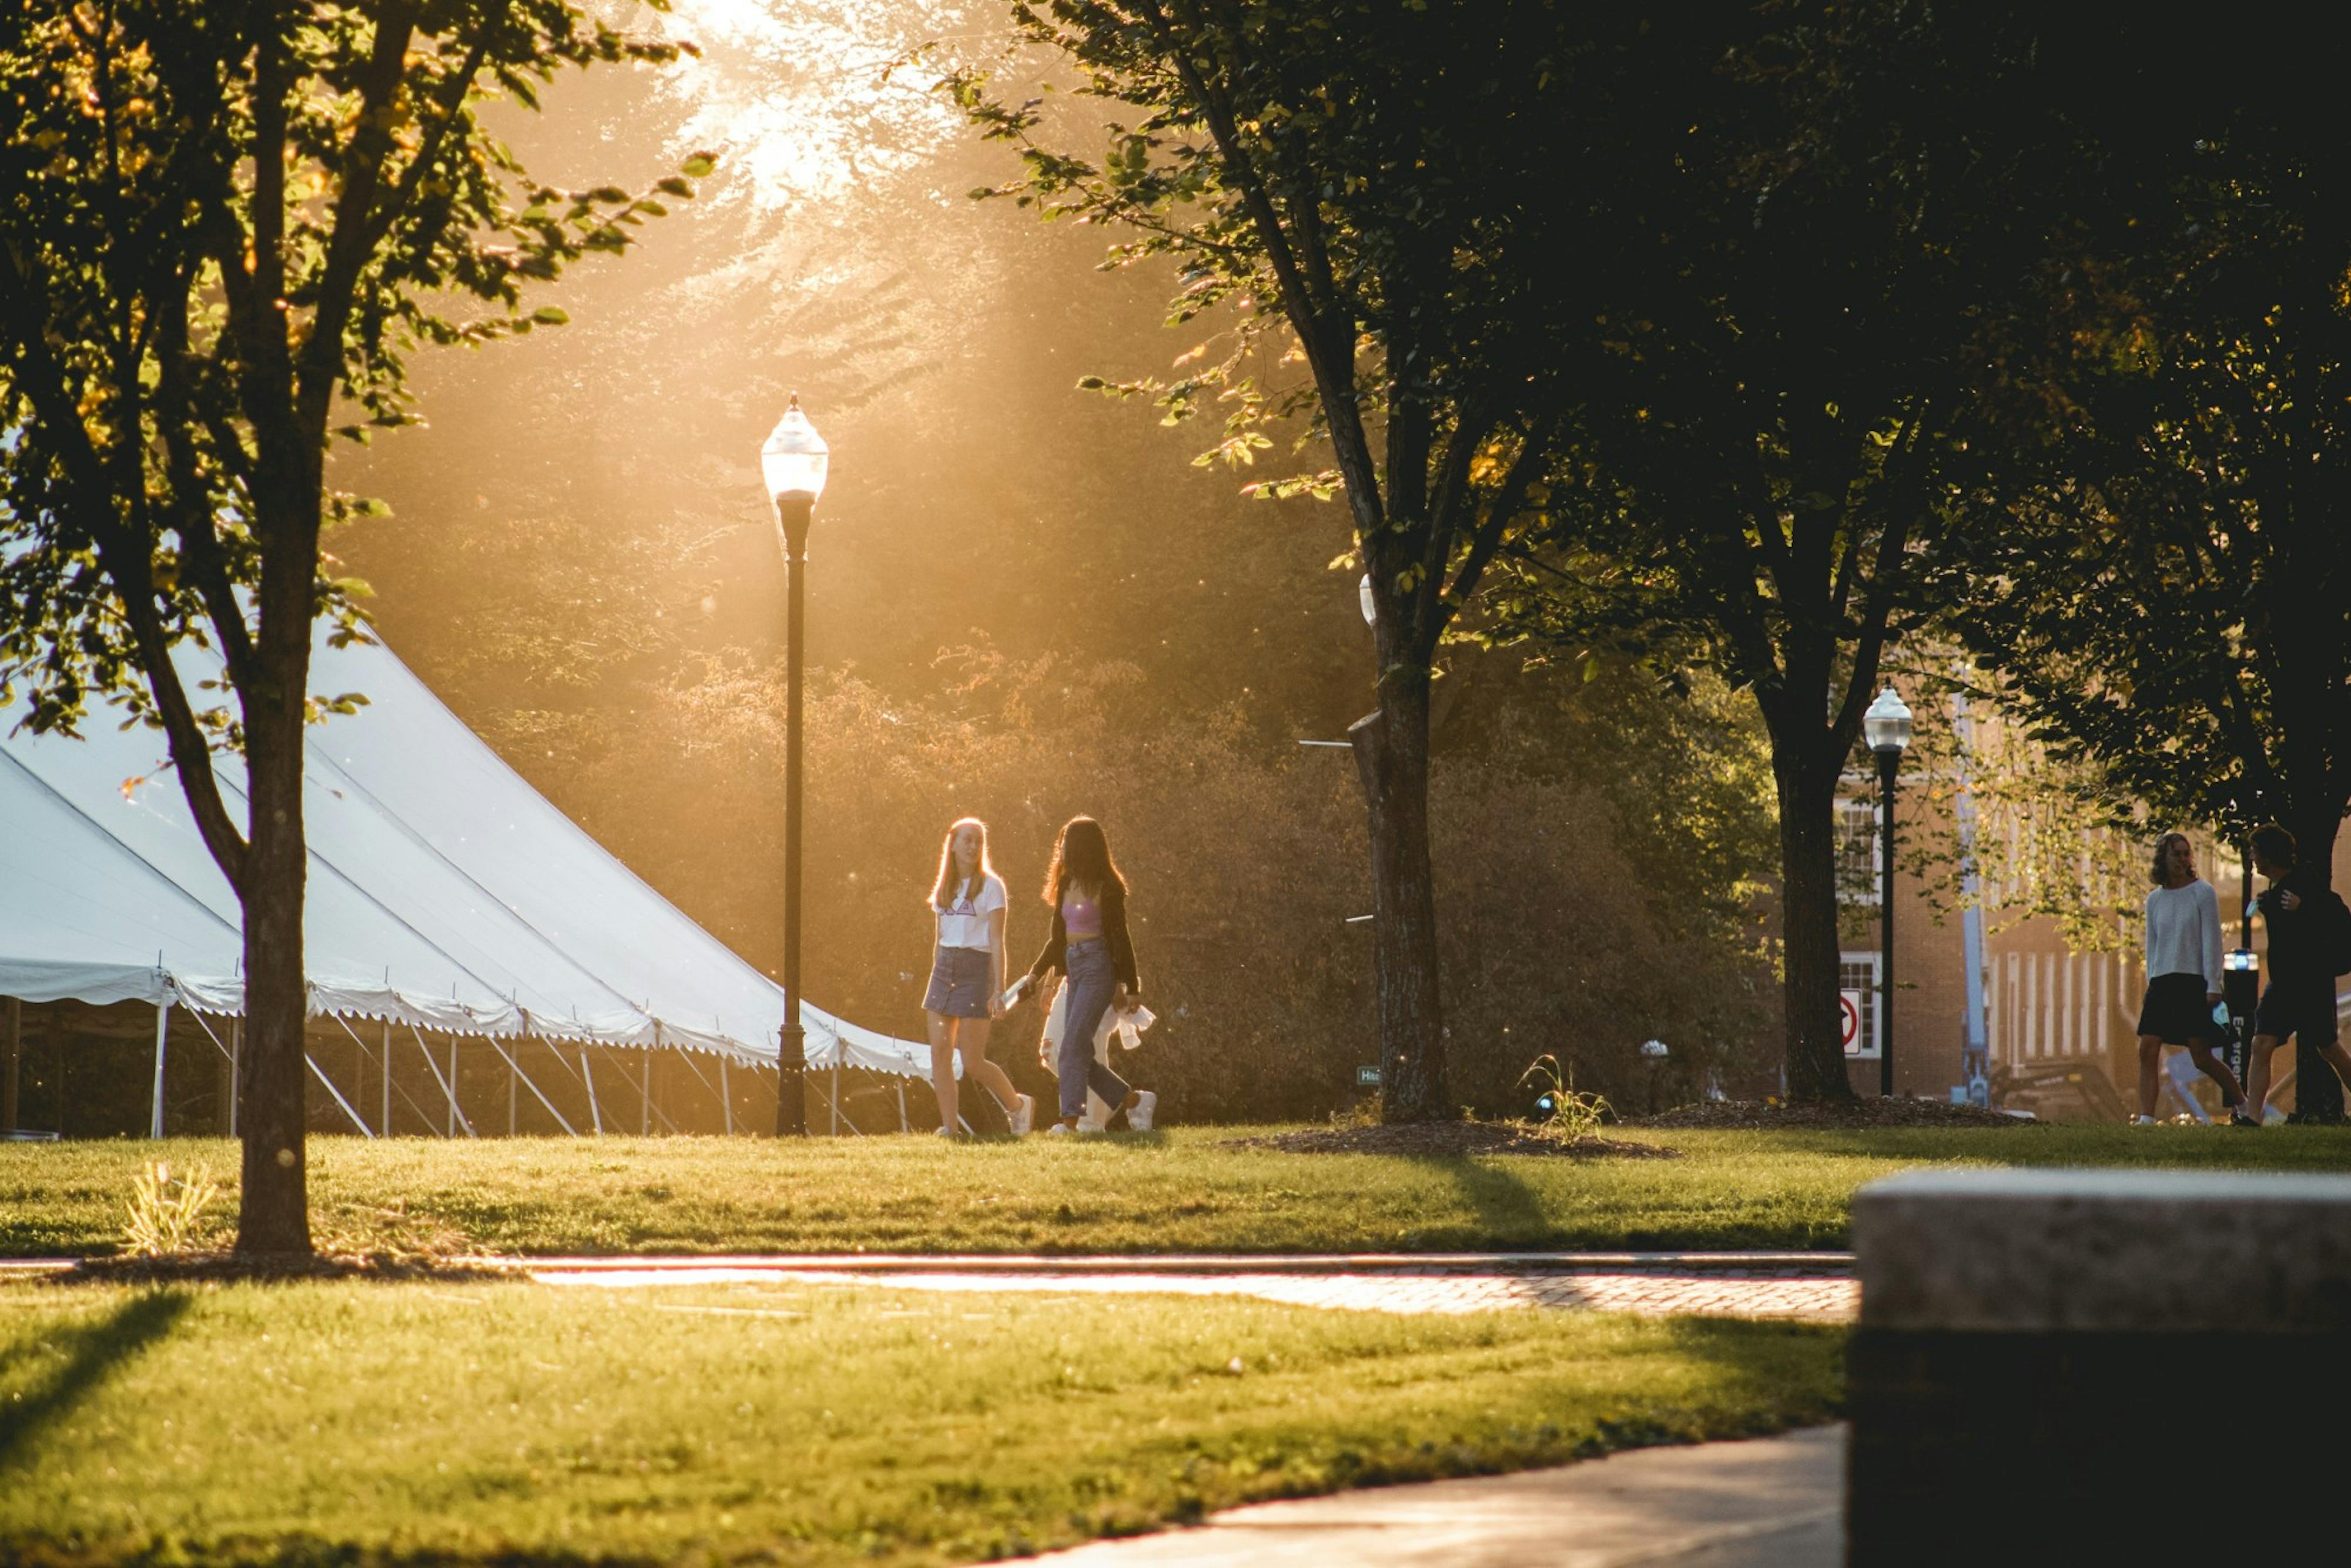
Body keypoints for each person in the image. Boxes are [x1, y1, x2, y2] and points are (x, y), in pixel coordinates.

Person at [1023, 815, 1156, 1135]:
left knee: (1071, 1047)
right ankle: (1134, 1101)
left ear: (1083, 847)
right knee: (1077, 1050)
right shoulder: (1067, 884)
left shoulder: (1108, 889)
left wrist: (1132, 985)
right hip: (1074, 966)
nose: (1062, 849)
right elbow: (1057, 940)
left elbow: (1121, 939)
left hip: (1099, 969)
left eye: (1067, 842)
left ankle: (1069, 1122)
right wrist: (1035, 974)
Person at [922, 817, 1033, 1137]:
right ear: (953, 844)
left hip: (976, 969)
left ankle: (1018, 1106)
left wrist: (998, 989)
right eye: (968, 840)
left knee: (972, 1061)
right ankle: (950, 1128)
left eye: (979, 841)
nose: (973, 846)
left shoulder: (992, 887)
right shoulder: (945, 887)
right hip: (944, 969)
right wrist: (936, 976)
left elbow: (998, 940)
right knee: (940, 1054)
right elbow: (939, 938)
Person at [2133, 831, 2250, 1125]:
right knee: (2147, 1048)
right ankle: (2147, 1118)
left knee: (2201, 1056)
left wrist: (2214, 985)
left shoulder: (2203, 893)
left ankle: (2244, 1104)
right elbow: (2153, 944)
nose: (2183, 859)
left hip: (2192, 982)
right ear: (2164, 858)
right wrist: (2152, 981)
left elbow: (2212, 941)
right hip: (2162, 982)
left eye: (2187, 854)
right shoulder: (2155, 900)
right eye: (2177, 854)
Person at [2241, 824, 2351, 1124]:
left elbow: (2336, 914)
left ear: (2268, 856)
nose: (2252, 857)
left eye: (2256, 851)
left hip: (2310, 984)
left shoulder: (2303, 882)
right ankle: (2252, 1117)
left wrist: (2304, 907)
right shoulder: (2275, 891)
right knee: (2260, 1044)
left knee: (2328, 1048)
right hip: (2282, 985)